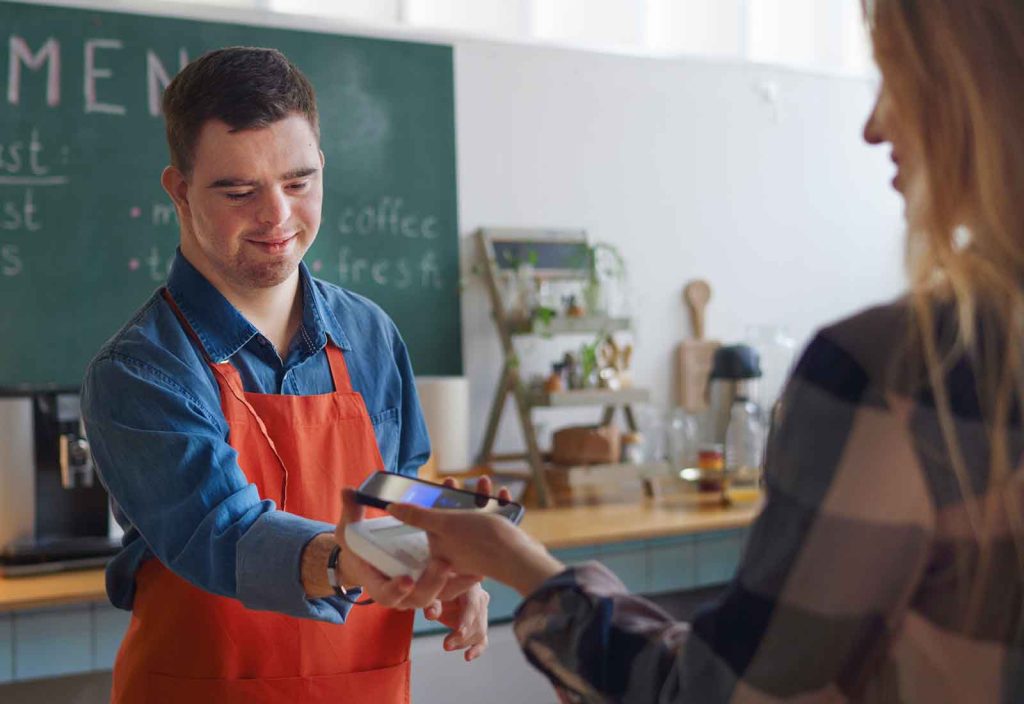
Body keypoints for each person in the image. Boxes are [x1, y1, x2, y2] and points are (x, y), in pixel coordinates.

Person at [388, 1, 1024, 701]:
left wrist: (525, 567)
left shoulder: (890, 370)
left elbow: (714, 695)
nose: (873, 126)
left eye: (896, 80)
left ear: (979, 90)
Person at [81, 47, 488, 704]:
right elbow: (224, 530)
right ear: (179, 190)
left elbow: (400, 491)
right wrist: (351, 560)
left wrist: (449, 552)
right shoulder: (141, 369)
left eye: (298, 183)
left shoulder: (370, 334)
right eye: (239, 191)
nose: (276, 218)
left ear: (322, 168)